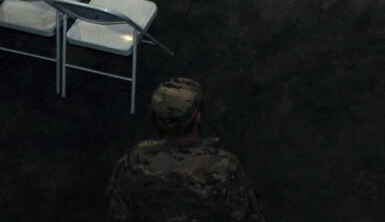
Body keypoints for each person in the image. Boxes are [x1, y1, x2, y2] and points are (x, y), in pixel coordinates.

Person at [108, 77, 266, 222]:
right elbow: (250, 216)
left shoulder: (138, 159)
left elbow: (119, 213)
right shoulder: (224, 166)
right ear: (197, 116)